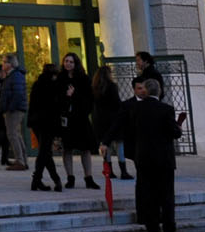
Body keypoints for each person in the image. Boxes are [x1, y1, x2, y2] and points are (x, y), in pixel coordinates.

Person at [119, 76, 185, 232]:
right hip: (163, 157)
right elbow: (174, 133)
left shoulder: (136, 109)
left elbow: (131, 131)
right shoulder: (166, 109)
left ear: (146, 91)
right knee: (167, 194)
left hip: (143, 156)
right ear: (159, 91)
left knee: (148, 192)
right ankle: (169, 227)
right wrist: (178, 128)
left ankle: (152, 226)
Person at [58, 52, 99, 188]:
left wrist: (74, 95)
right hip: (66, 119)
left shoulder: (83, 79)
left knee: (85, 149)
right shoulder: (60, 79)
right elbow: (56, 99)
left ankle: (89, 177)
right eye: (66, 61)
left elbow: (88, 98)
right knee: (67, 148)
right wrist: (66, 97)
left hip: (80, 118)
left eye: (71, 61)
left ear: (76, 64)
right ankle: (70, 177)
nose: (68, 64)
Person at [27, 61, 64, 190]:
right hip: (48, 122)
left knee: (45, 152)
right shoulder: (54, 86)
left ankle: (43, 180)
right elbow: (58, 105)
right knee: (45, 151)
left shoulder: (38, 84)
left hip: (37, 122)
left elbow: (32, 104)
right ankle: (40, 179)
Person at [91, 64, 131, 181]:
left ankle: (109, 171)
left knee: (106, 145)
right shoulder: (112, 86)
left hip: (100, 120)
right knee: (119, 145)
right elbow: (117, 103)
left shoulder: (95, 87)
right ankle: (123, 171)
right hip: (113, 119)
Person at [0, 53, 29, 169]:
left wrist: (9, 108)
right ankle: (22, 160)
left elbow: (17, 94)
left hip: (14, 109)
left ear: (10, 64)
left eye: (4, 61)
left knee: (12, 134)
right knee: (16, 134)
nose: (2, 64)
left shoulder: (15, 75)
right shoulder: (11, 76)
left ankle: (20, 161)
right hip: (14, 108)